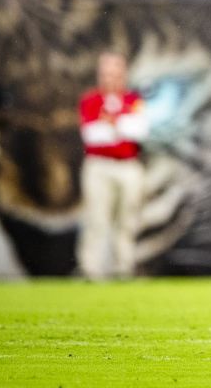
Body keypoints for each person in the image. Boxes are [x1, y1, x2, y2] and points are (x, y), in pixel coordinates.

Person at [77, 52, 149, 279]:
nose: (109, 78)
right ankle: (91, 268)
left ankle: (123, 268)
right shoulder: (90, 100)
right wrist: (121, 126)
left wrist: (113, 123)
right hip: (99, 165)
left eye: (114, 73)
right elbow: (92, 135)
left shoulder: (133, 100)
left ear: (123, 74)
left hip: (128, 166)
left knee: (127, 220)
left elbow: (139, 131)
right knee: (97, 219)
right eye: (105, 73)